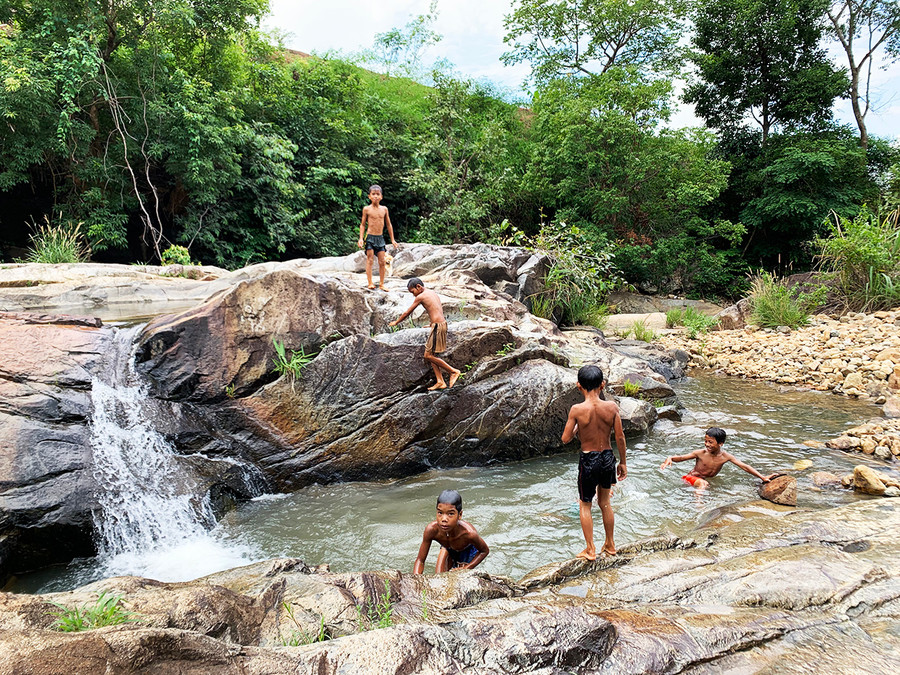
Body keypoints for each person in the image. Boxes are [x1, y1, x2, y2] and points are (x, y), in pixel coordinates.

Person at [561, 365, 627, 560]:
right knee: (605, 502)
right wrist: (623, 463)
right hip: (607, 457)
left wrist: (577, 428)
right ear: (602, 385)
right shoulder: (612, 407)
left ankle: (590, 549)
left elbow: (565, 439)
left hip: (589, 459)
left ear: (579, 386)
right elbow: (620, 437)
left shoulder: (577, 409)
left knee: (585, 504)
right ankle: (610, 544)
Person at [389, 278, 461, 390]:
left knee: (428, 356)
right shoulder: (432, 293)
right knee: (431, 354)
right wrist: (432, 323)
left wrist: (396, 322)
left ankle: (453, 371)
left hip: (438, 327)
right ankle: (440, 381)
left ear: (418, 287)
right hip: (440, 324)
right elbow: (436, 309)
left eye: (412, 292)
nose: (413, 295)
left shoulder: (421, 296)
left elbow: (407, 312)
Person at [660, 427, 777, 490]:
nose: (707, 444)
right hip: (689, 479)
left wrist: (762, 477)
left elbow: (744, 466)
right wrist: (670, 458)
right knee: (703, 484)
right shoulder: (700, 453)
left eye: (710, 442)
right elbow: (681, 458)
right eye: (705, 441)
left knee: (704, 484)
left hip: (701, 482)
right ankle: (699, 506)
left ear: (720, 443)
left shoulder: (725, 457)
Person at [413, 489, 489, 573]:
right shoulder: (431, 530)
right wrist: (416, 579)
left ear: (460, 515)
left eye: (451, 514)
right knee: (439, 576)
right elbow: (420, 560)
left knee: (459, 575)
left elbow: (484, 551)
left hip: (467, 550)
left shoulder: (469, 533)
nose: (444, 519)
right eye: (440, 513)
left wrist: (466, 568)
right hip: (447, 548)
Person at [358, 184, 399, 290]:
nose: (375, 196)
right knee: (370, 259)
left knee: (382, 261)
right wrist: (361, 238)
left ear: (381, 197)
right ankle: (370, 283)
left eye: (377, 194)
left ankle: (381, 284)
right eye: (373, 194)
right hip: (370, 237)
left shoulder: (384, 209)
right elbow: (363, 224)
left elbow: (389, 225)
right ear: (369, 196)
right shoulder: (366, 209)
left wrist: (392, 239)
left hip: (380, 238)